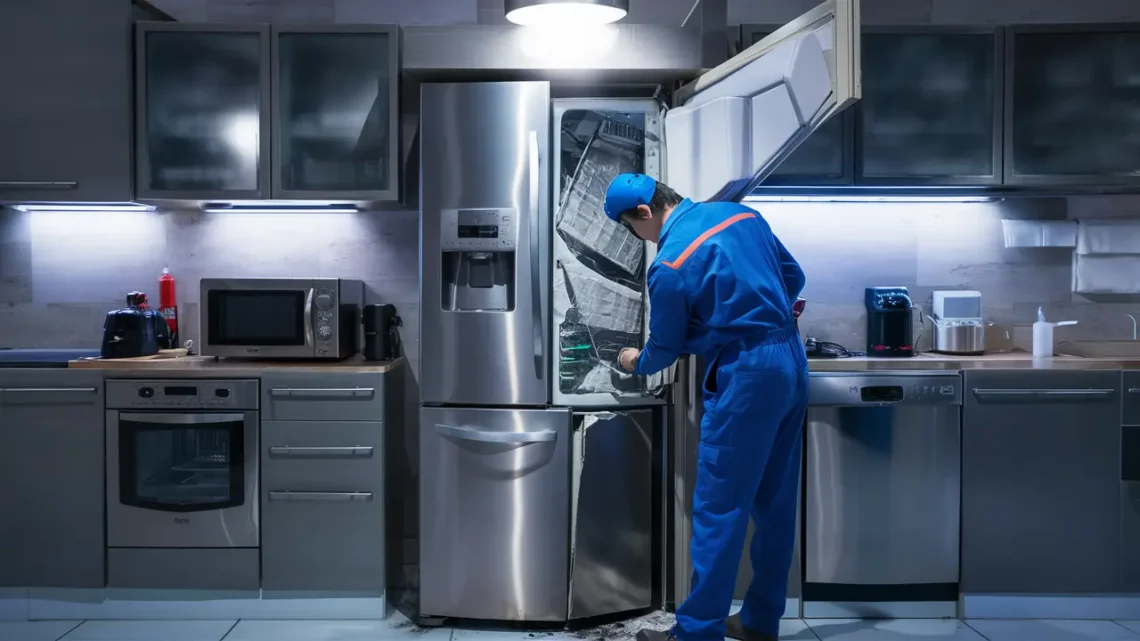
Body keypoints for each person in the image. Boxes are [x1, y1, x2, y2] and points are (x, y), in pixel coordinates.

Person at [604, 173, 808, 641]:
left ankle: (696, 633)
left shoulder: (670, 264)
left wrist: (635, 361)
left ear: (643, 214)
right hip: (791, 361)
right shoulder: (742, 214)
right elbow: (794, 277)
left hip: (748, 375)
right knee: (775, 504)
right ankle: (760, 621)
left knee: (721, 508)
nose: (638, 238)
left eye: (630, 228)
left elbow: (665, 347)